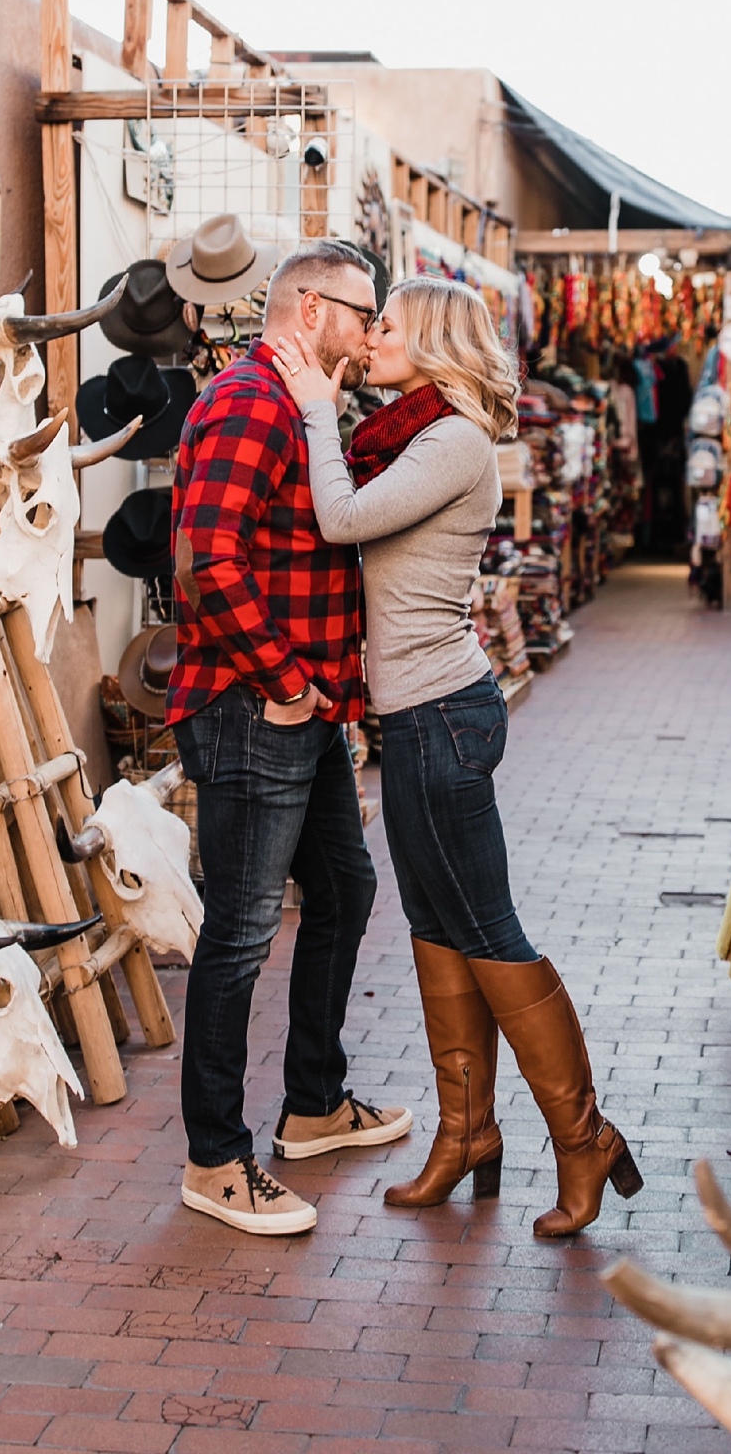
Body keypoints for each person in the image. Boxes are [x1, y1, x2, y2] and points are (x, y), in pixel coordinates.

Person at [271, 277, 642, 1239]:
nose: (372, 335)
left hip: (441, 715)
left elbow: (341, 520)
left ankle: (584, 1139)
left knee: (487, 929)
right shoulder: (415, 432)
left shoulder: (453, 441)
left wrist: (316, 414)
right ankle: (467, 1133)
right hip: (423, 715)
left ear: (432, 340)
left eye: (386, 324)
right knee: (438, 925)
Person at [168, 239, 412, 1237]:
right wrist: (284, 678)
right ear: (311, 308)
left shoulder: (292, 403)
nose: (369, 332)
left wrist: (317, 698)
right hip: (254, 705)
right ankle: (215, 1158)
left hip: (299, 709)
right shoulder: (247, 402)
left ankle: (311, 1103)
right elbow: (204, 559)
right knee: (238, 932)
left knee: (347, 887)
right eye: (363, 313)